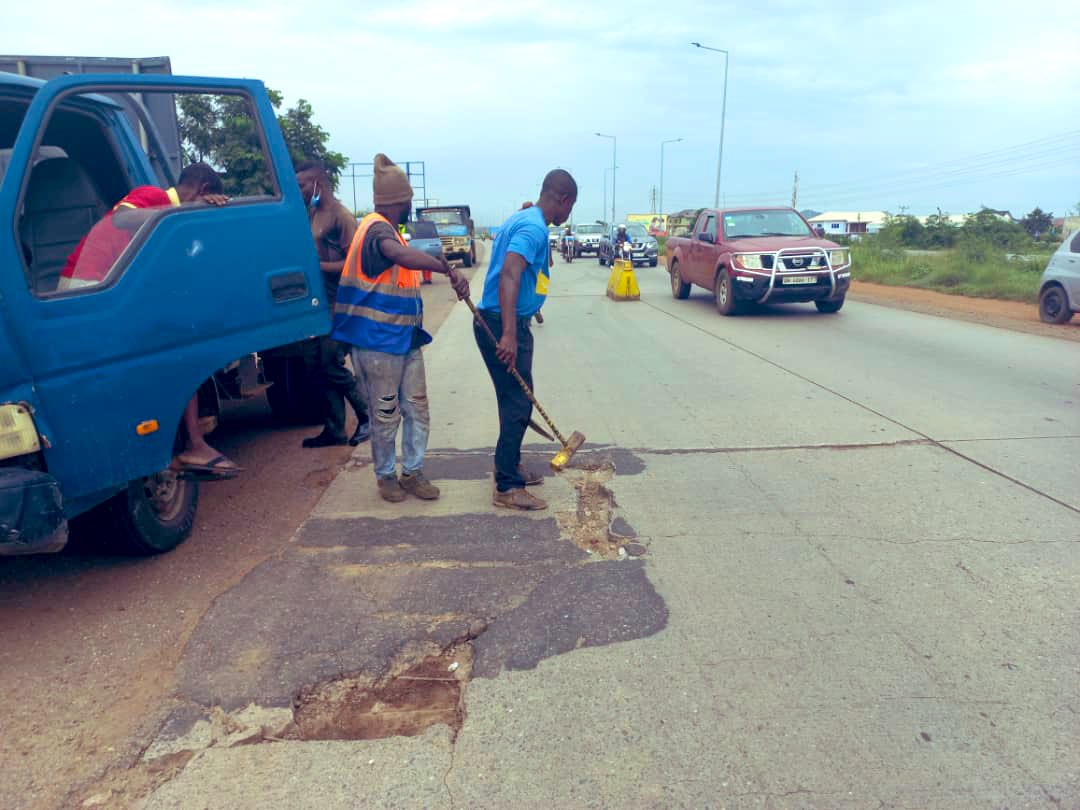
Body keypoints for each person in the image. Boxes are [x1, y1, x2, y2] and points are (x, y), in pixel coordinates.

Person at [60, 163, 241, 478]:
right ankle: (187, 446)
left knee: (176, 350)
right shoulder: (153, 196)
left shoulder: (173, 221)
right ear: (203, 191)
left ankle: (184, 444)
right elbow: (122, 218)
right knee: (169, 356)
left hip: (107, 293)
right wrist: (184, 213)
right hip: (86, 288)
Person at [331, 154, 470, 503]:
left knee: (417, 408)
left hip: (404, 339)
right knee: (386, 414)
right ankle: (385, 476)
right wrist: (446, 268)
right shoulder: (377, 229)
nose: (410, 207)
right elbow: (399, 256)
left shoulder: (387, 228)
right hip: (377, 343)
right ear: (400, 202)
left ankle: (413, 471)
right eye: (408, 202)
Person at [475, 169, 577, 511]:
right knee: (518, 403)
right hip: (502, 324)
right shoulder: (532, 227)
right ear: (563, 199)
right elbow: (510, 272)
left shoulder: (528, 219)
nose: (568, 215)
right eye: (571, 206)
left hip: (501, 320)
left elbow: (530, 269)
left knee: (516, 399)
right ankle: (506, 486)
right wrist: (508, 333)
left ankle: (511, 466)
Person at [295, 160, 371, 449]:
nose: (300, 190)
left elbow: (354, 264)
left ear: (318, 184)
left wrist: (317, 266)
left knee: (331, 362)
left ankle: (367, 417)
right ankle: (334, 429)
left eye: (303, 185)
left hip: (341, 301)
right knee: (315, 364)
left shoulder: (341, 217)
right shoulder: (314, 211)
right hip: (319, 301)